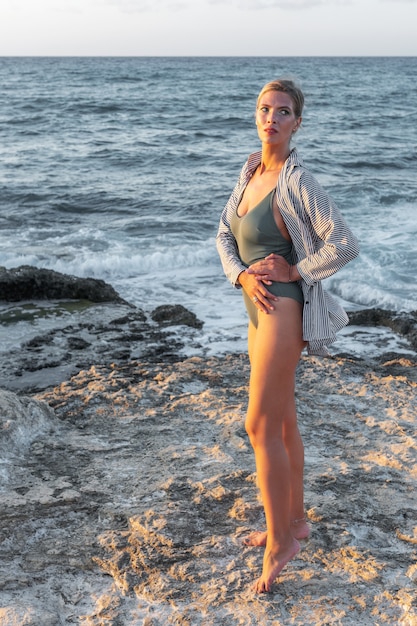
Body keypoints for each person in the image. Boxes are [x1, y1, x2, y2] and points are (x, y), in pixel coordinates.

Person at [216, 78, 359, 593]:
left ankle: (280, 544)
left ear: (297, 121)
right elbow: (223, 235)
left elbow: (343, 243)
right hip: (254, 304)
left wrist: (298, 272)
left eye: (282, 111)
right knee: (283, 420)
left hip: (283, 311)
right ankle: (294, 522)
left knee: (258, 425)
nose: (270, 118)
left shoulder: (297, 180)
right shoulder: (251, 170)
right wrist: (241, 275)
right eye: (264, 109)